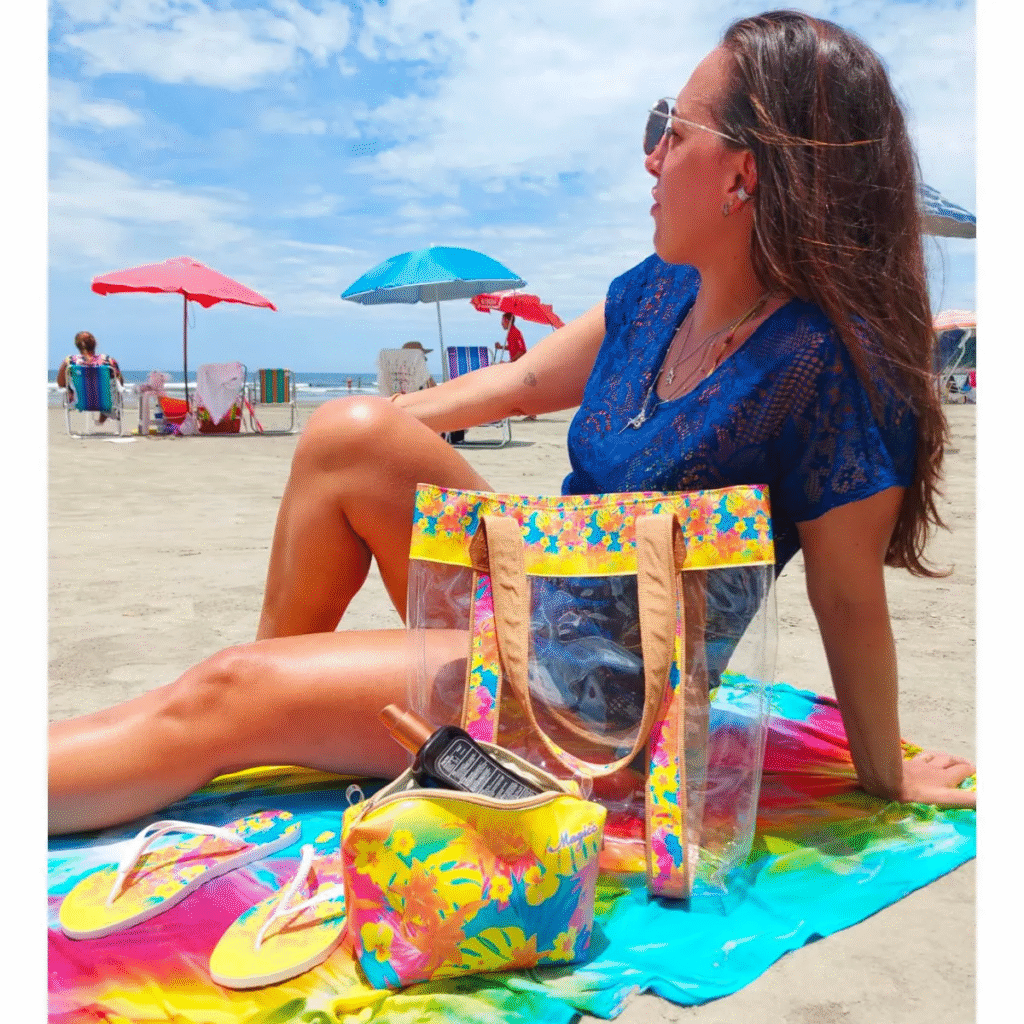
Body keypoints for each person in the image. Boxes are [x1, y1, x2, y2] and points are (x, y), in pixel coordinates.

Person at [49, 10, 975, 836]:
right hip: (540, 598)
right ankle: (268, 709)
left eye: (670, 129)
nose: (650, 156)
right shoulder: (660, 293)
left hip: (605, 709)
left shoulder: (824, 366)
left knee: (226, 690)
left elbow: (848, 597)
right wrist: (375, 421)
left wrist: (884, 774)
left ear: (744, 172)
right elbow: (524, 382)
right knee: (344, 435)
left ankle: (246, 714)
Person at [56, 331, 124, 424]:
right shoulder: (108, 360)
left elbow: (61, 383)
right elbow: (120, 382)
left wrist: (70, 389)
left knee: (72, 388)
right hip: (106, 402)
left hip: (79, 402)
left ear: (77, 345)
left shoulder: (70, 361)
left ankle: (99, 407)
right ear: (95, 343)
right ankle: (106, 411)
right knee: (114, 388)